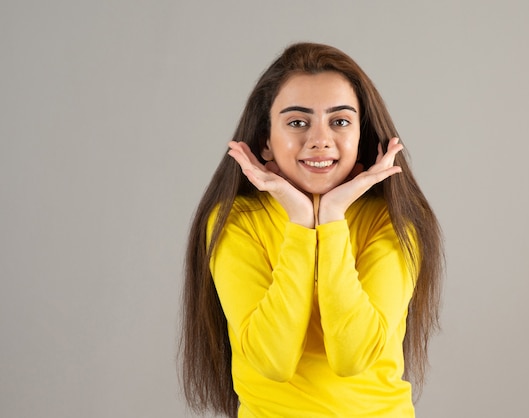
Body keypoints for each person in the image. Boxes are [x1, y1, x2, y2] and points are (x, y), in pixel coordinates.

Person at [180, 42, 443, 417]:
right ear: (266, 141)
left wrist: (332, 218)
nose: (320, 140)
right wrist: (302, 225)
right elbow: (272, 361)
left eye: (339, 121)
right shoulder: (235, 220)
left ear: (360, 135)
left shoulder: (395, 220)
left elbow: (353, 357)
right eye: (298, 122)